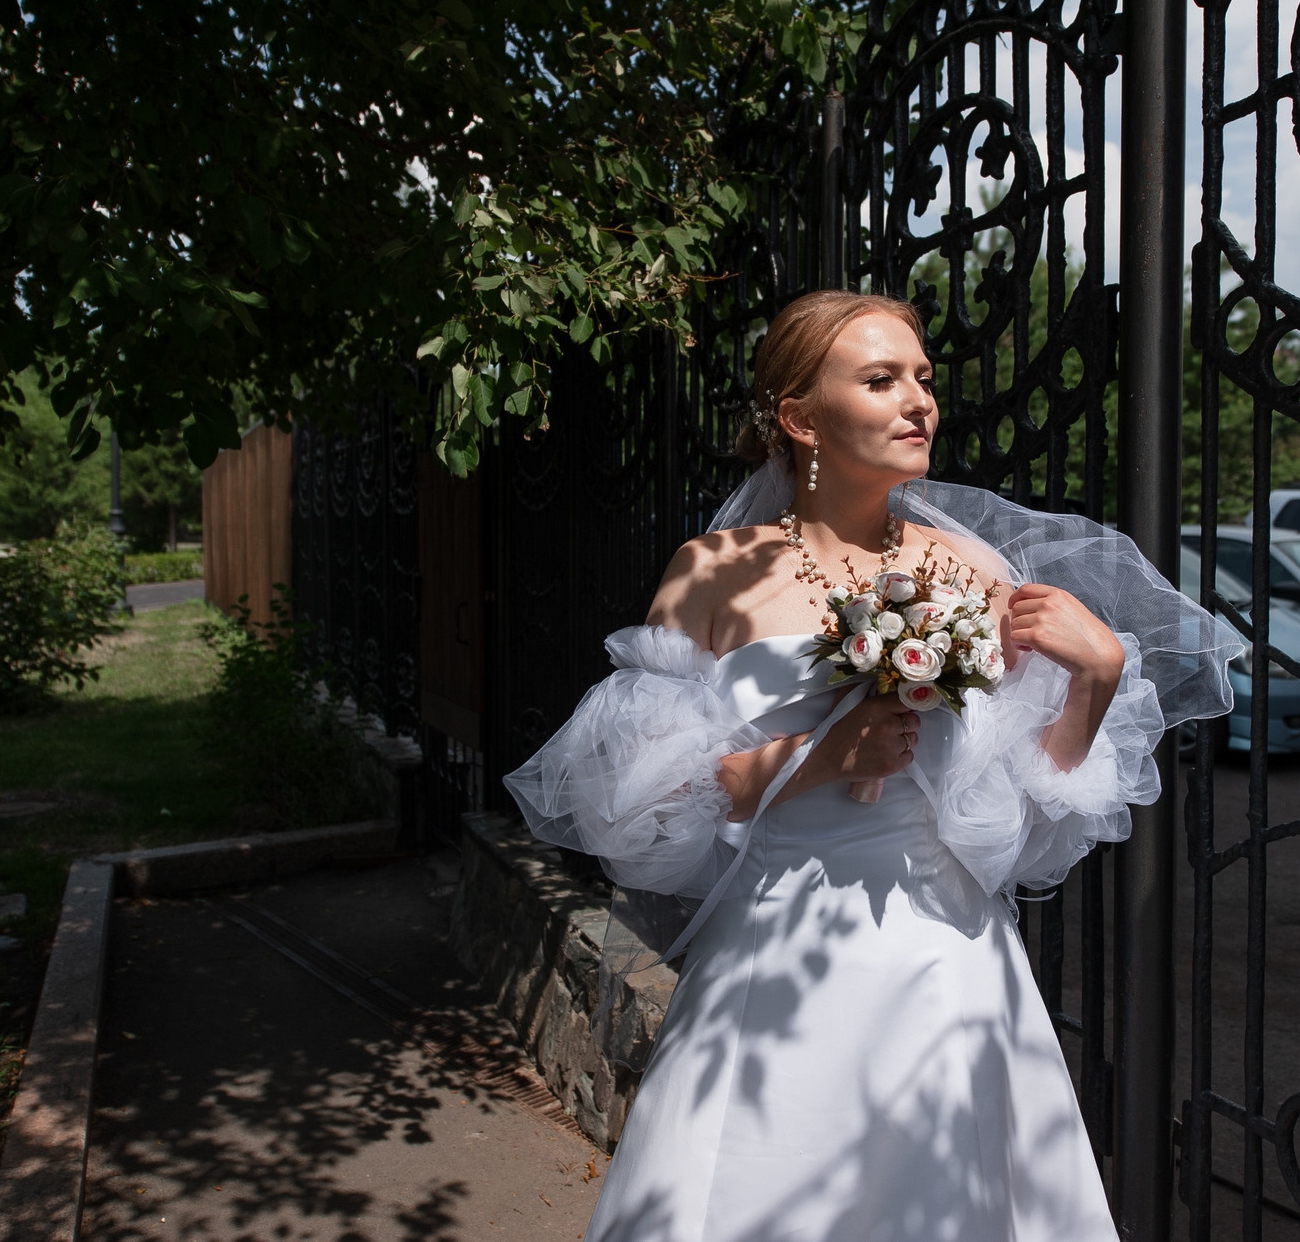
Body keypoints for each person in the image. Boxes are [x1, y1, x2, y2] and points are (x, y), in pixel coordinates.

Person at [504, 290, 1233, 1241]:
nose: (919, 400)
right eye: (882, 379)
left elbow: (1013, 823)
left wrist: (1094, 679)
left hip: (948, 961)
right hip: (777, 955)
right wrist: (809, 759)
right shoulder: (714, 571)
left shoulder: (968, 571)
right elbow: (636, 810)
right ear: (801, 417)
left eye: (924, 378)